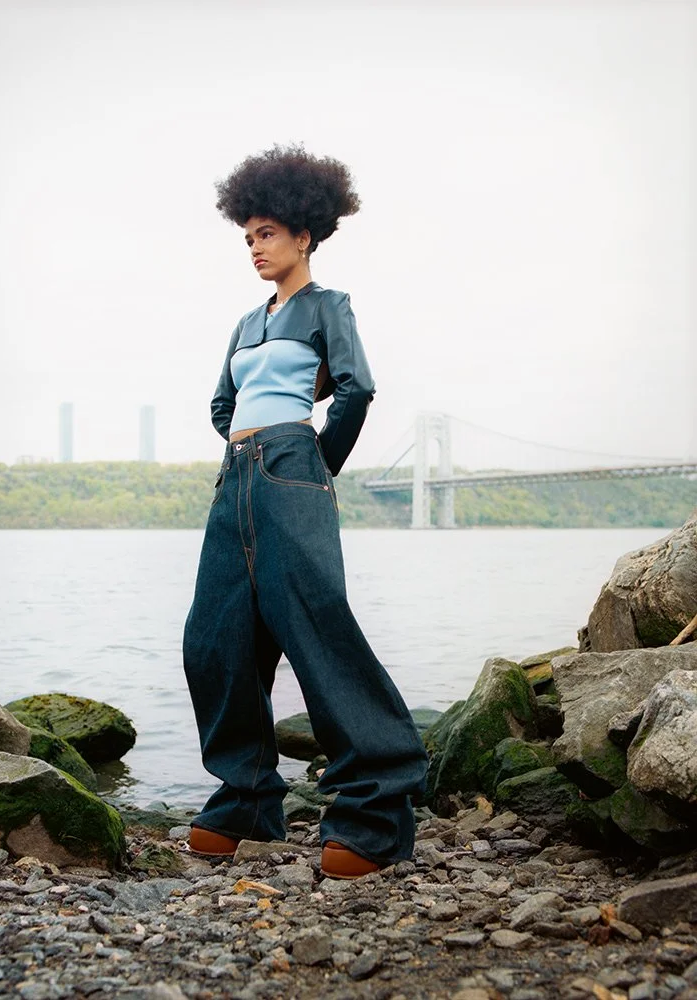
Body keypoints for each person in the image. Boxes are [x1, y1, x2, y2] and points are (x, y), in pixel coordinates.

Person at [182, 144, 428, 878]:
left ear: (305, 235)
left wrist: (316, 462)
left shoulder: (329, 307)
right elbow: (223, 403)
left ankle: (376, 813)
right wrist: (242, 446)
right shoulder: (246, 321)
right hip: (237, 479)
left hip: (293, 469)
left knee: (317, 631)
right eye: (248, 235)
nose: (256, 247)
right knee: (215, 636)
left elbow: (355, 389)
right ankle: (247, 800)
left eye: (267, 233)